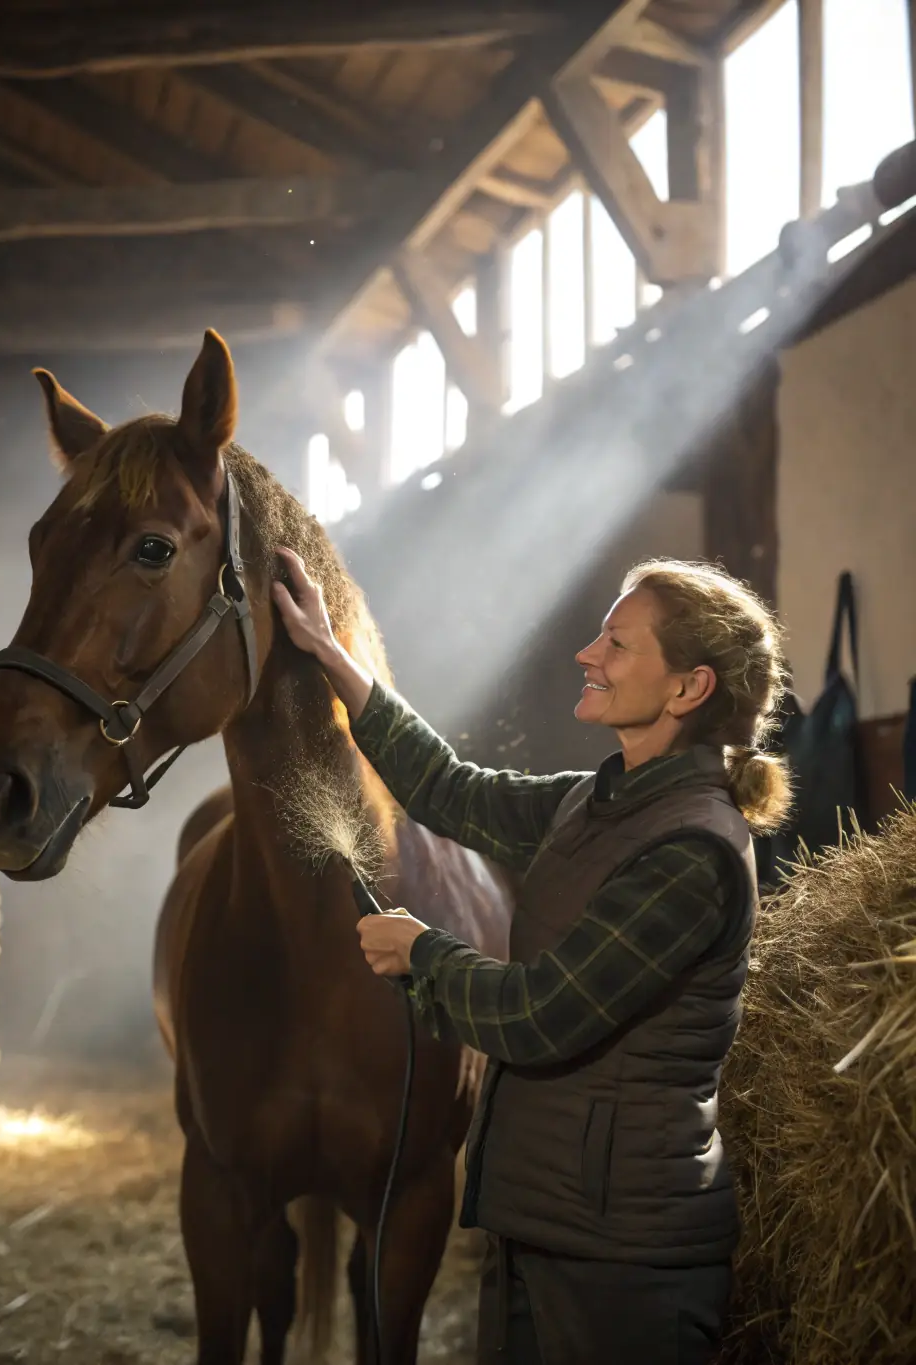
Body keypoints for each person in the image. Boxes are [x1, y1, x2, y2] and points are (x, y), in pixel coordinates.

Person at [271, 551, 792, 1365]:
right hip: (544, 1218)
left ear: (690, 689)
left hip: (623, 1258)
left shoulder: (694, 848)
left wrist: (423, 954)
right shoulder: (601, 798)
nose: (589, 654)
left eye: (618, 644)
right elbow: (450, 789)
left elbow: (541, 1015)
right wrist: (335, 655)